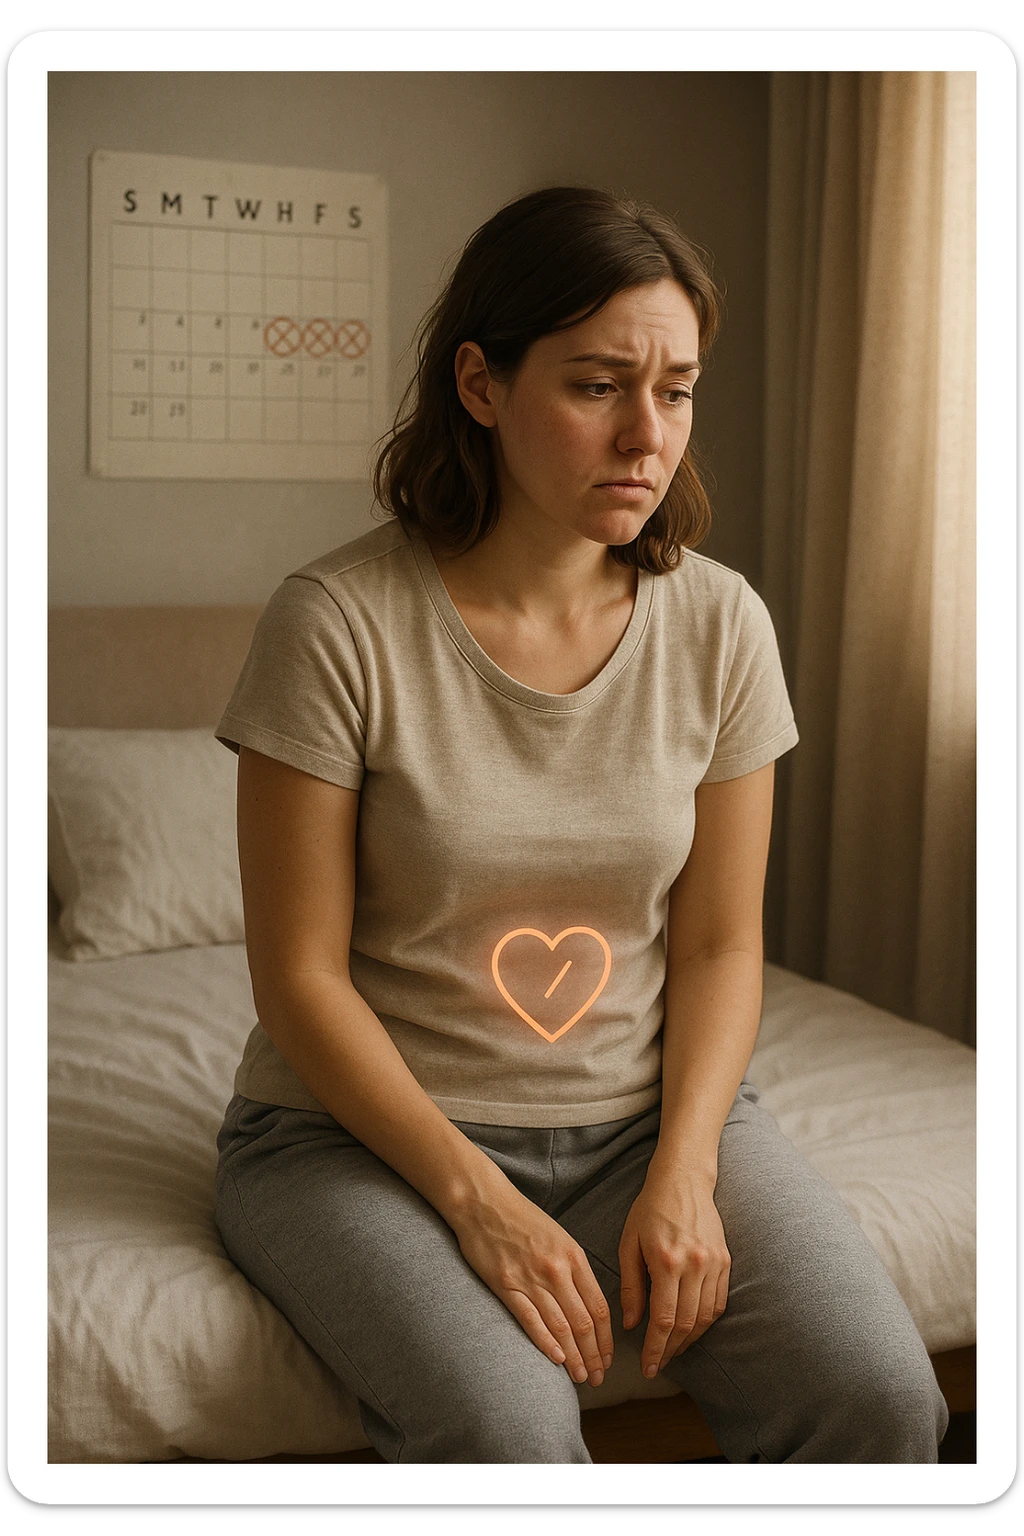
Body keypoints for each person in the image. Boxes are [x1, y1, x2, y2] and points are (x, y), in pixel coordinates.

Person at [213, 186, 948, 1464]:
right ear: (481, 385)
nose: (644, 437)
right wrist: (478, 1202)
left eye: (675, 391)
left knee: (880, 1399)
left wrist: (686, 1167)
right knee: (511, 1436)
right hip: (357, 1143)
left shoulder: (722, 625)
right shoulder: (334, 623)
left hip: (638, 1122)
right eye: (599, 385)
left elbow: (719, 947)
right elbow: (298, 977)